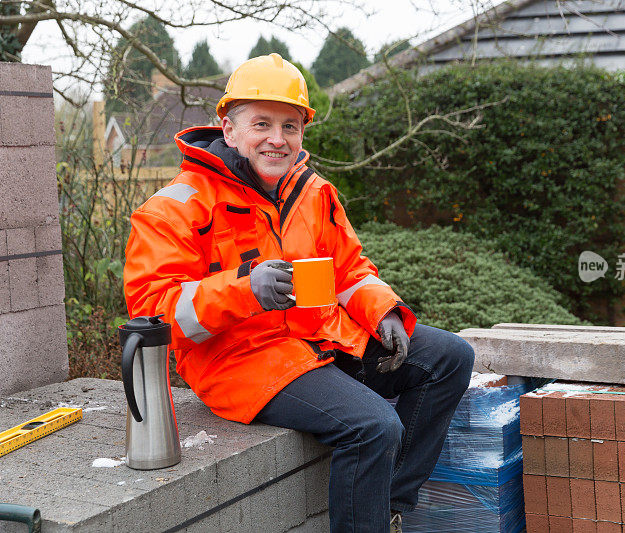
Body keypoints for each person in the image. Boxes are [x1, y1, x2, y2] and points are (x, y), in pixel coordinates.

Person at [123, 54, 475, 533]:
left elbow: (349, 270)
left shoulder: (313, 192)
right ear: (228, 128)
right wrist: (246, 291)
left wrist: (385, 312)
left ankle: (386, 507)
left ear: (303, 134)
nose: (277, 138)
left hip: (317, 338)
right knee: (373, 426)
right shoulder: (174, 209)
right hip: (239, 359)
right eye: (261, 124)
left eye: (290, 126)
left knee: (449, 357)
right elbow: (153, 313)